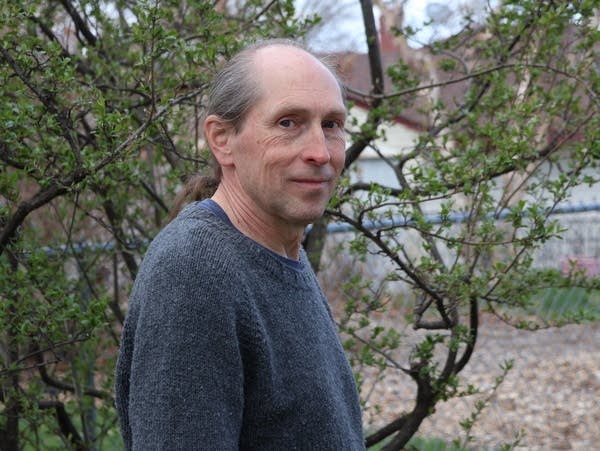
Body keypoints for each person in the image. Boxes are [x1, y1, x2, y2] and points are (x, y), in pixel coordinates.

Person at [115, 38, 365, 450]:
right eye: (288, 123)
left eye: (332, 125)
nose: (320, 152)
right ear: (222, 139)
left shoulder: (283, 252)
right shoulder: (194, 271)